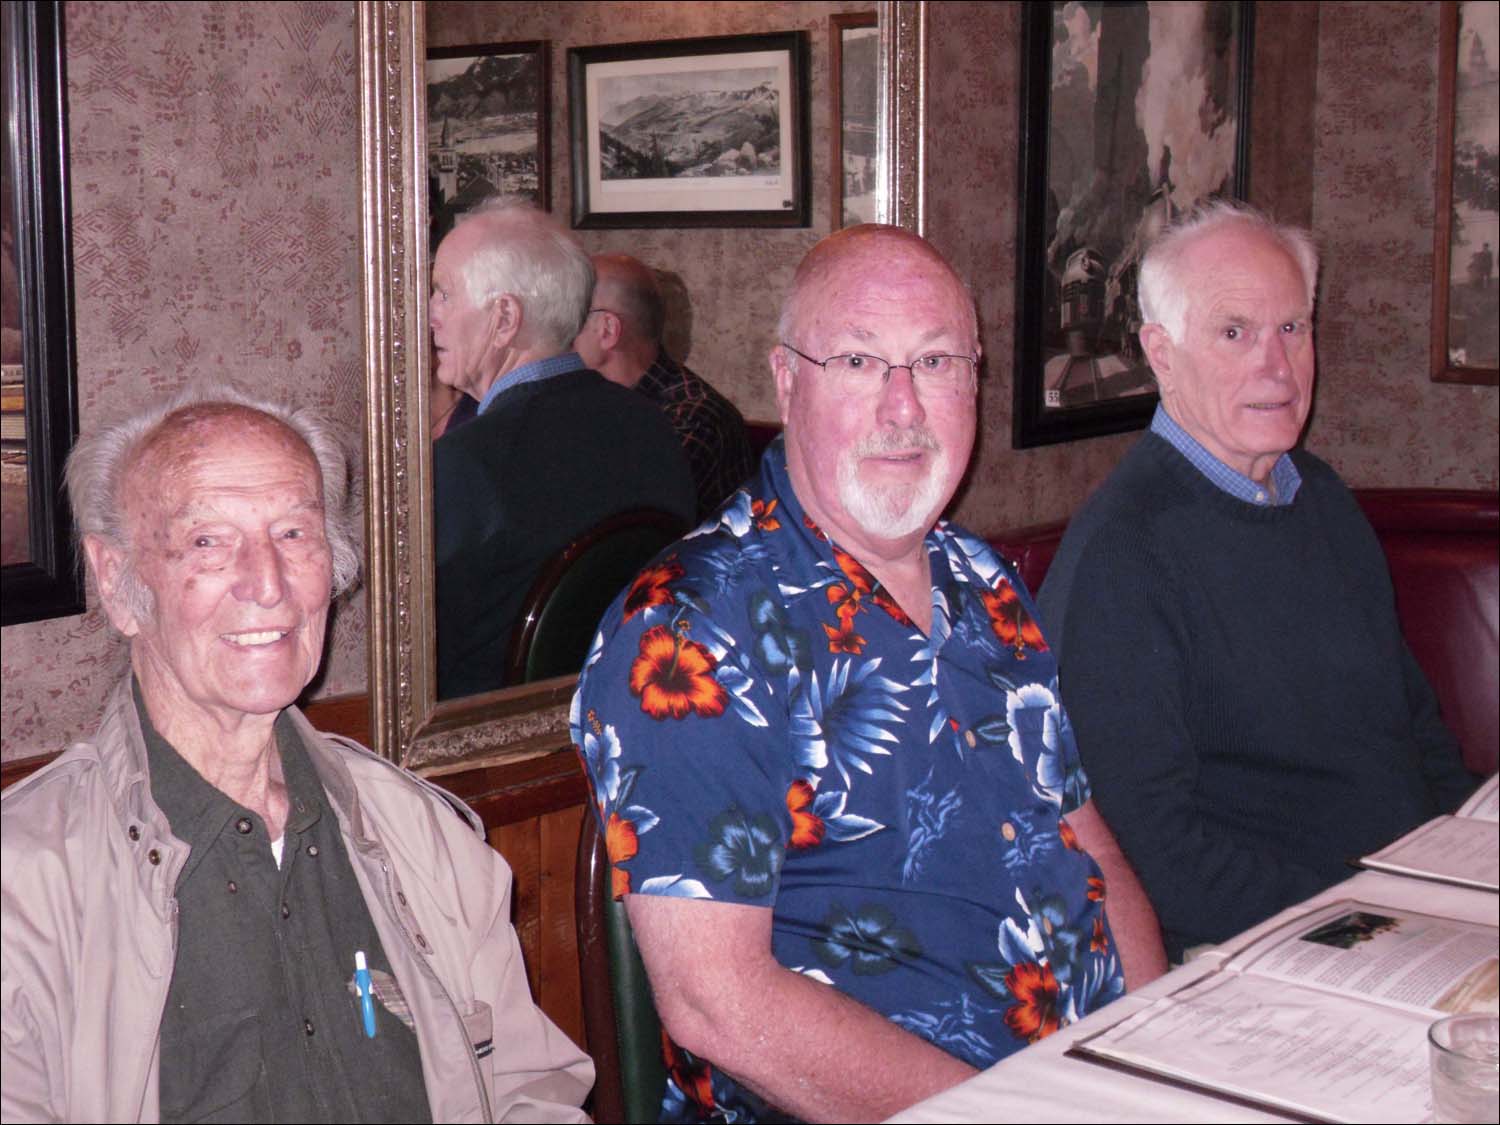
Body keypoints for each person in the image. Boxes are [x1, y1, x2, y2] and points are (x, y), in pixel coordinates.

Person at [571, 225, 1165, 1122]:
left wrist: (1157, 1052)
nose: (903, 407)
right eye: (858, 360)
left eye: (935, 363)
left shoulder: (985, 582)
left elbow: (1096, 850)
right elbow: (718, 1006)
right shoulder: (689, 629)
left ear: (976, 381)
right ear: (786, 379)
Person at [0, 386, 594, 1123]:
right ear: (120, 583)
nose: (268, 584)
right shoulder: (22, 890)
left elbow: (532, 1090)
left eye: (292, 533)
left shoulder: (421, 835)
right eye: (208, 541)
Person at [1038, 201, 1477, 962]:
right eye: (1234, 333)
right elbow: (1155, 857)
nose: (1276, 367)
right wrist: (1377, 922)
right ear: (1161, 353)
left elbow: (1414, 729)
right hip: (1264, 952)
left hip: (1407, 907)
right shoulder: (1125, 556)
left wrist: (1469, 855)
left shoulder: (1321, 497)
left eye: (1292, 329)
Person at [429, 203, 695, 699]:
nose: (431, 315)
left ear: (504, 317)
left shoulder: (469, 464)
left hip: (478, 746)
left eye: (445, 293)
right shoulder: (654, 428)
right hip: (625, 714)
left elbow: (412, 652)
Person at [573, 253, 755, 521]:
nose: (559, 328)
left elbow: (616, 523)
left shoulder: (693, 417)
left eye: (570, 314)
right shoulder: (591, 400)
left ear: (607, 329)